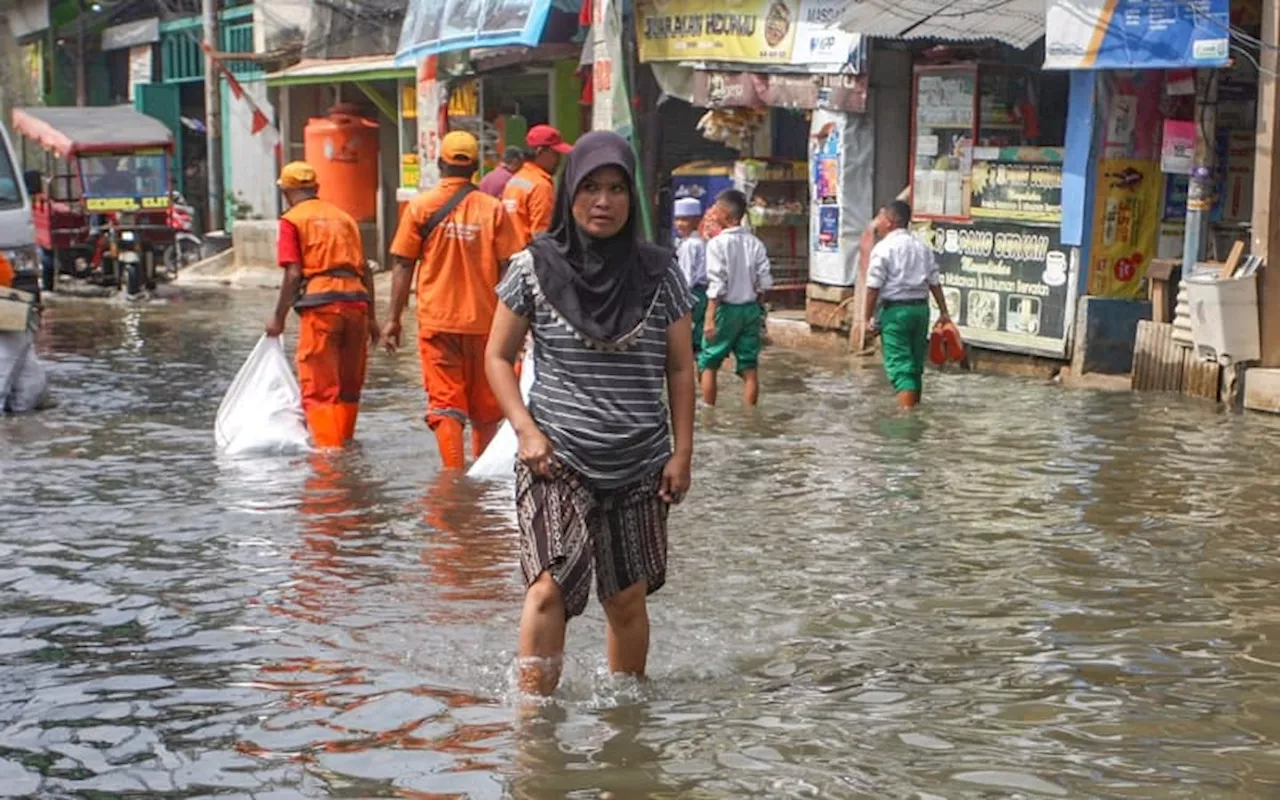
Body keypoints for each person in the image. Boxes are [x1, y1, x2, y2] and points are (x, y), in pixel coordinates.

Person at [485, 131, 697, 696]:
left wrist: (682, 454)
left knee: (625, 596)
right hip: (556, 456)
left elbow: (681, 369)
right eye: (590, 188)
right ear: (568, 195)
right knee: (549, 589)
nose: (603, 202)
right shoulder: (534, 266)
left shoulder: (661, 273)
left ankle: (625, 721)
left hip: (642, 461)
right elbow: (498, 357)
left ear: (633, 200)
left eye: (616, 189)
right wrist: (525, 433)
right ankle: (534, 724)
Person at [383, 131, 523, 470]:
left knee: (446, 403)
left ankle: (453, 478)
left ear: (440, 163)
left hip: (438, 321)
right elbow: (511, 266)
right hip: (486, 323)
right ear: (475, 167)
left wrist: (393, 318)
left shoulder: (420, 207)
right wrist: (517, 325)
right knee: (487, 407)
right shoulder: (493, 210)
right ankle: (481, 476)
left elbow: (403, 263)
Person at [265, 161, 378, 447]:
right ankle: (346, 444)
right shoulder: (344, 218)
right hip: (357, 304)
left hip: (322, 306)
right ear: (315, 188)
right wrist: (374, 319)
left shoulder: (292, 220)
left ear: (287, 191)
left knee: (318, 388)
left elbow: (293, 273)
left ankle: (330, 462)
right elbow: (365, 269)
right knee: (349, 386)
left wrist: (277, 318)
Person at [862, 200, 952, 409]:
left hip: (896, 312)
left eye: (881, 217)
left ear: (890, 222)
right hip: (921, 310)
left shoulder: (884, 248)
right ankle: (914, 406)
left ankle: (907, 416)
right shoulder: (921, 247)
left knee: (901, 367)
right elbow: (934, 281)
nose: (879, 222)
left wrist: (866, 318)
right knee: (915, 364)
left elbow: (873, 286)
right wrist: (944, 312)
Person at [698, 190, 772, 407]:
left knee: (709, 362)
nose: (713, 213)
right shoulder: (755, 243)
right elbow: (765, 283)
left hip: (725, 309)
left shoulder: (717, 244)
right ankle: (751, 413)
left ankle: (709, 411)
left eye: (717, 210)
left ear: (727, 216)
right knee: (749, 367)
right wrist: (760, 312)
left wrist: (710, 318)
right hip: (750, 309)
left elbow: (717, 284)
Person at [502, 124, 572, 247]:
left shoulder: (515, 180)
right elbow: (541, 235)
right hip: (532, 258)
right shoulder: (541, 185)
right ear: (540, 151)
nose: (559, 160)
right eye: (555, 154)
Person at [673, 197, 708, 355]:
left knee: (688, 336)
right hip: (702, 293)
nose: (679, 223)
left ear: (696, 221)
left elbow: (686, 278)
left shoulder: (689, 245)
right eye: (677, 219)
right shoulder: (700, 242)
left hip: (692, 294)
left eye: (684, 220)